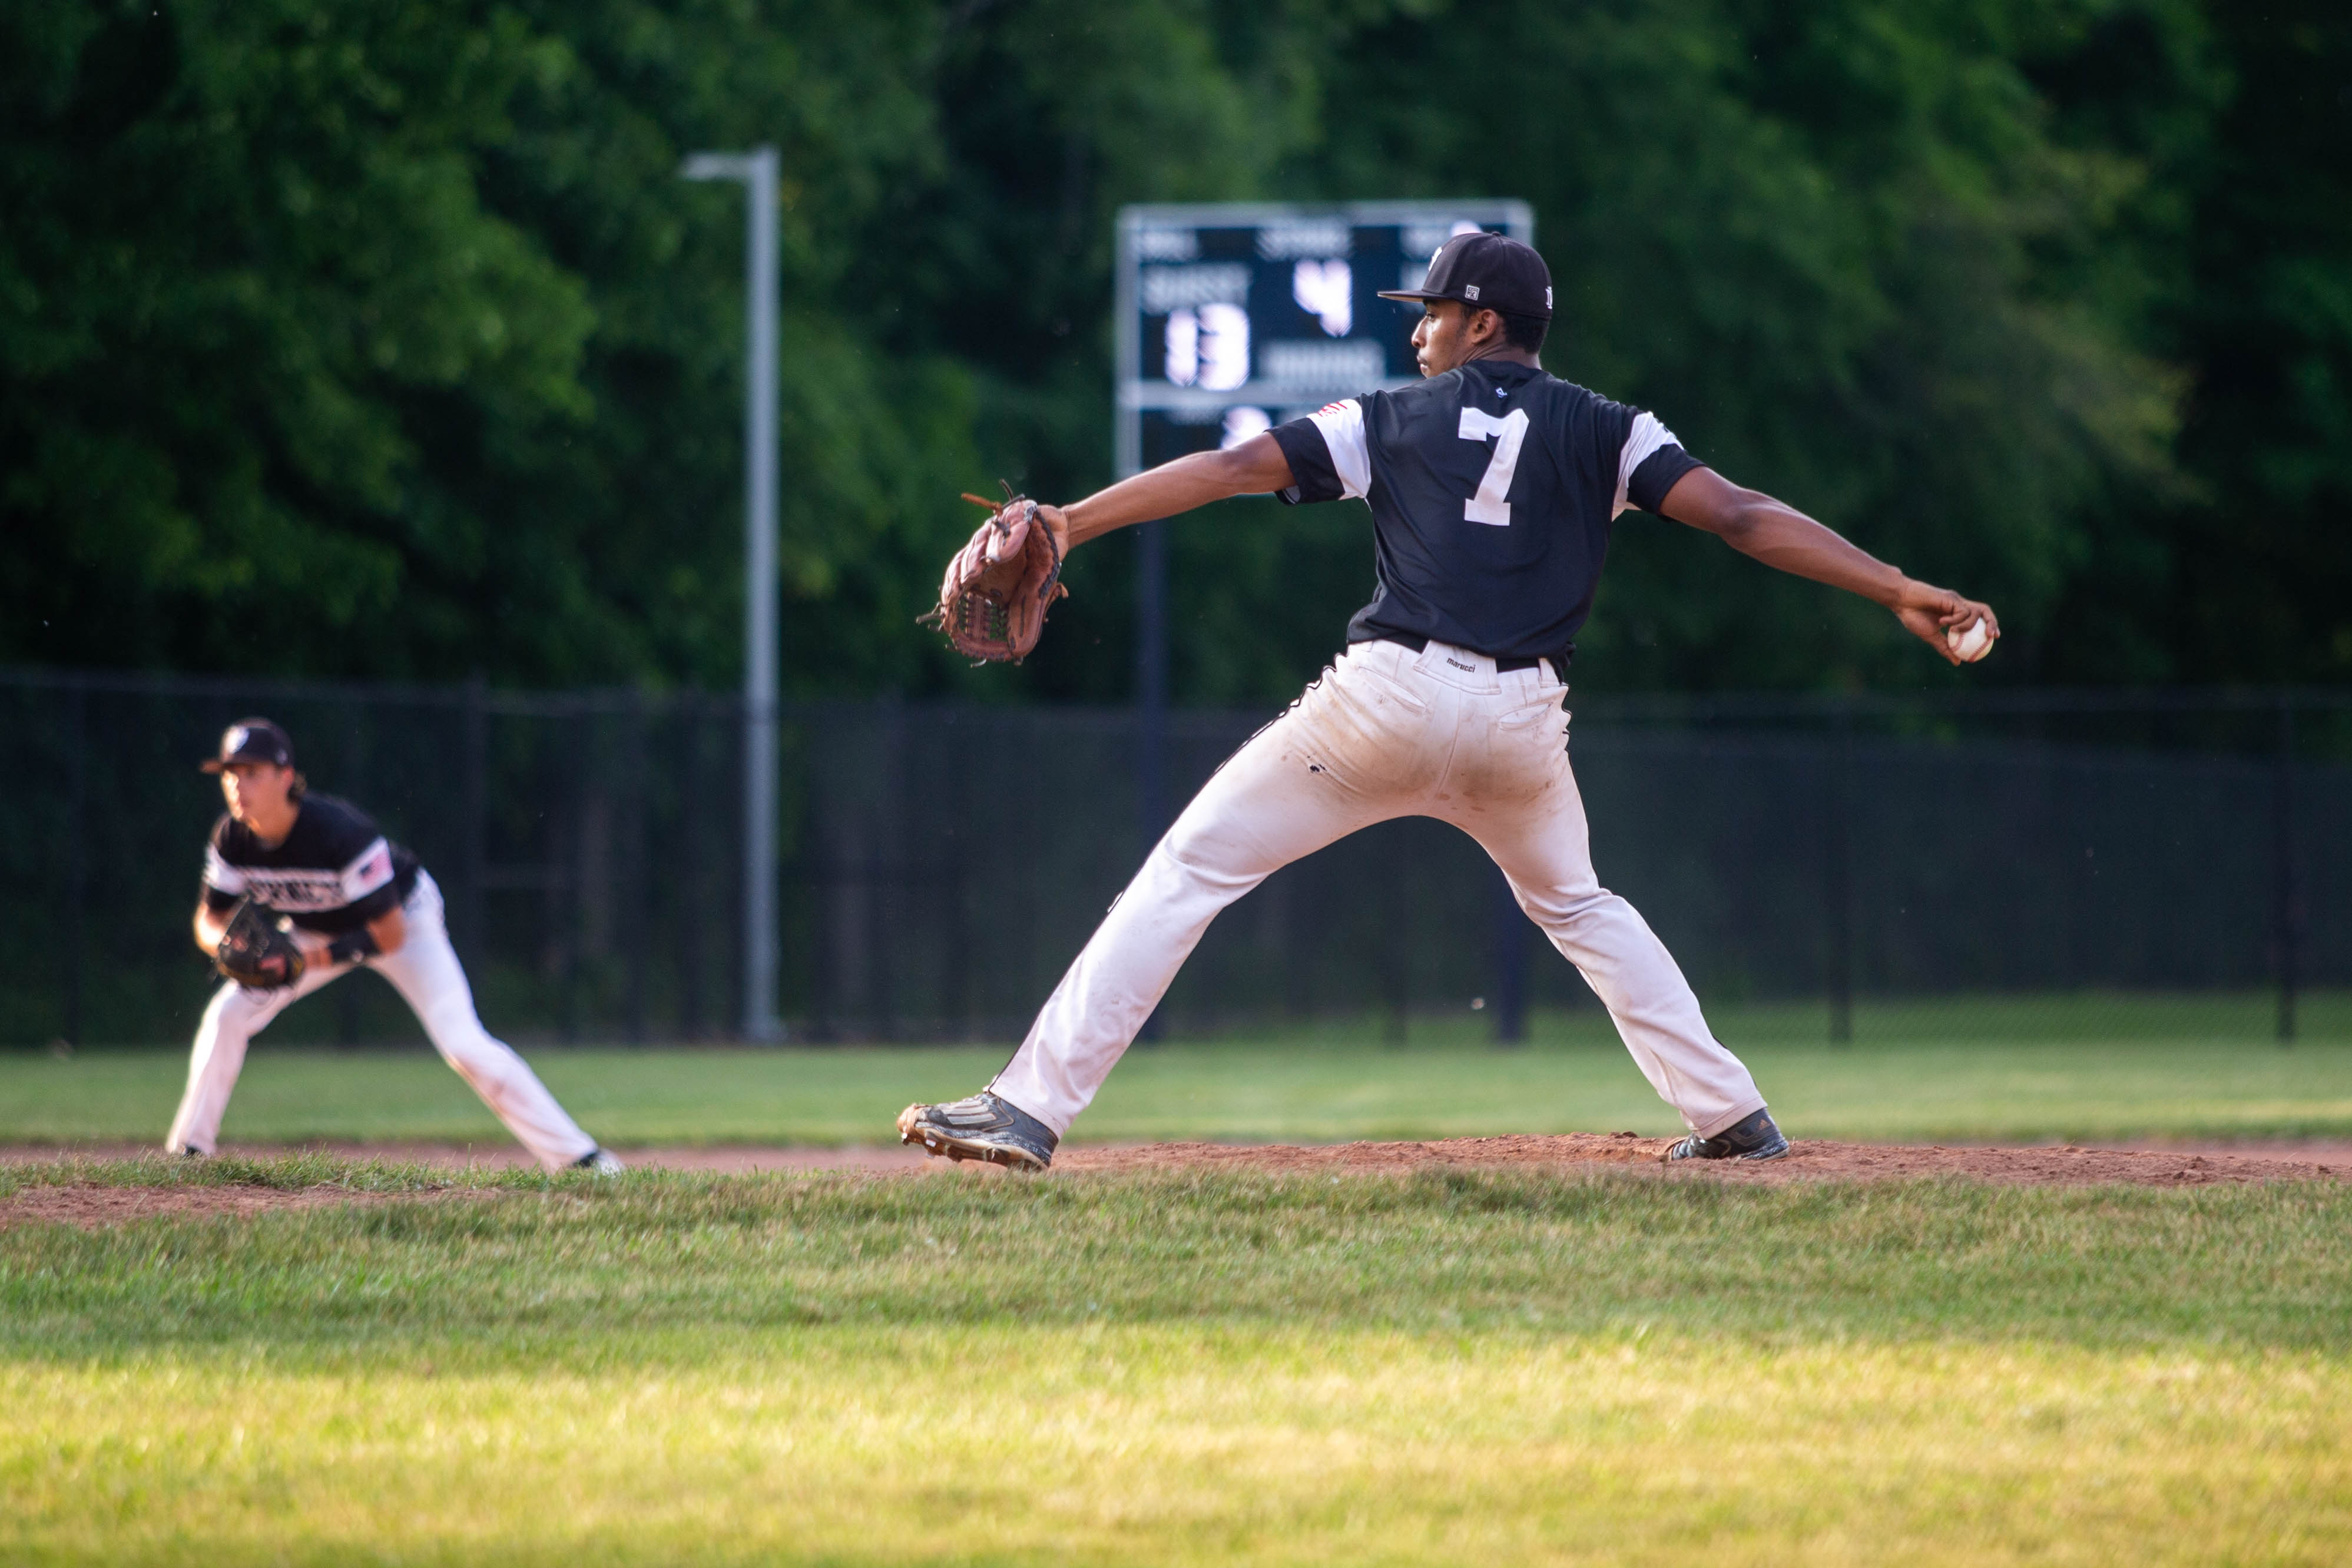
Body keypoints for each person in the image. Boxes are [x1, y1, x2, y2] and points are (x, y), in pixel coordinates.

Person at [899, 231, 1997, 1170]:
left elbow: (1231, 470)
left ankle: (1027, 1111)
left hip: (1387, 700)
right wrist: (1898, 585)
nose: (1417, 329)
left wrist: (1074, 521)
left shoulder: (1389, 416)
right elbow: (1746, 517)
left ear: (1481, 324)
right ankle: (1731, 1119)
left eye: (1431, 311)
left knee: (1191, 867)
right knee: (1577, 906)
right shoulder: (1611, 429)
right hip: (1522, 724)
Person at [167, 717, 624, 1173]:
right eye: (229, 773)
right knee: (228, 1014)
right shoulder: (232, 839)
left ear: (286, 777)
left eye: (252, 773)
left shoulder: (339, 832)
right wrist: (226, 947)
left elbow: (389, 934)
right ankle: (189, 1152)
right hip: (314, 929)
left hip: (405, 919)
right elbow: (209, 920)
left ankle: (581, 1158)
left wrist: (304, 960)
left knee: (464, 1044)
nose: (237, 785)